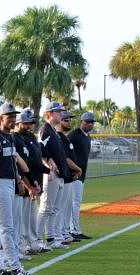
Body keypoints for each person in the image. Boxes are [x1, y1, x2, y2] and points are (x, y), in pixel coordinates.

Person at [0, 103, 37, 275]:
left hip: (8, 182)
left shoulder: (9, 138)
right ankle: (14, 266)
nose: (13, 119)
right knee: (6, 226)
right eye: (9, 116)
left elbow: (14, 163)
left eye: (14, 116)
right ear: (0, 118)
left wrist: (24, 181)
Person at [37, 102, 72, 250]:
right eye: (57, 112)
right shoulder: (45, 130)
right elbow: (39, 150)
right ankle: (37, 239)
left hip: (59, 174)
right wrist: (47, 165)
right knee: (46, 208)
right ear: (49, 114)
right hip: (50, 173)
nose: (60, 114)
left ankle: (50, 238)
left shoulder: (53, 131)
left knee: (53, 209)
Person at [16, 109, 51, 254]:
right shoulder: (17, 138)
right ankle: (22, 245)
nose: (29, 126)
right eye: (26, 123)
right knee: (22, 218)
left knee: (31, 216)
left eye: (31, 123)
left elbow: (36, 158)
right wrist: (46, 170)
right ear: (18, 123)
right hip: (24, 182)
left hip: (33, 180)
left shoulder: (30, 137)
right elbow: (26, 162)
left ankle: (32, 242)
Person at [55, 111, 83, 243]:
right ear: (59, 121)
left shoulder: (65, 138)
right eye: (66, 120)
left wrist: (76, 171)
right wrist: (78, 169)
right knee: (59, 208)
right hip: (63, 177)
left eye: (69, 120)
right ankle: (58, 234)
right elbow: (66, 159)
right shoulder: (59, 137)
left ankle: (64, 232)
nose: (69, 122)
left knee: (66, 208)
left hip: (69, 177)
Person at [68, 111, 95, 240]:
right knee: (74, 202)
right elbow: (67, 154)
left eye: (91, 122)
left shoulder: (87, 136)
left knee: (76, 202)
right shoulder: (74, 135)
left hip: (81, 173)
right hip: (74, 174)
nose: (90, 124)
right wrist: (73, 170)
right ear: (81, 122)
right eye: (87, 122)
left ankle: (74, 229)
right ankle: (73, 230)